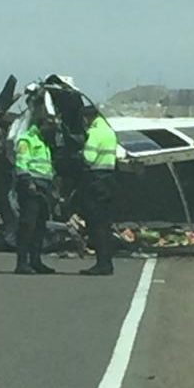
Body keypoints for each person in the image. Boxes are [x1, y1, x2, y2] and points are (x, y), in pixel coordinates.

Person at [13, 116, 56, 275]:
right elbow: (21, 163)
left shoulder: (44, 142)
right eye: (49, 124)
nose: (52, 128)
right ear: (40, 124)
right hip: (31, 186)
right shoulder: (27, 140)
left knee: (40, 226)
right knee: (27, 225)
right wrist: (27, 182)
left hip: (44, 186)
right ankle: (22, 263)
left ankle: (36, 261)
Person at [79, 106, 118, 276]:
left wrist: (79, 152)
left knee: (96, 224)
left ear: (87, 118)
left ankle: (101, 264)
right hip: (109, 180)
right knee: (105, 224)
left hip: (95, 181)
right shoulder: (109, 131)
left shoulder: (94, 133)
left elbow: (89, 158)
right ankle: (106, 262)